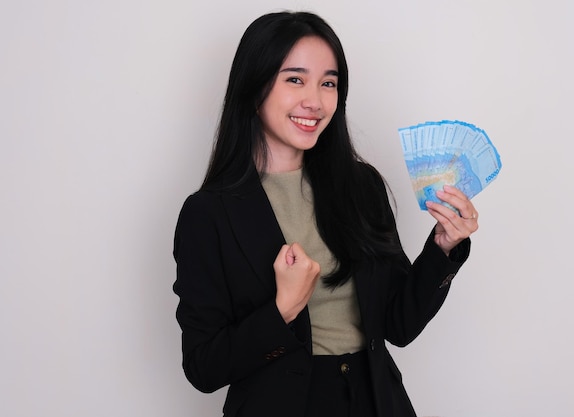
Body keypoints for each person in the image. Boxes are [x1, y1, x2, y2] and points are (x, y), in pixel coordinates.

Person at [173, 11, 479, 417]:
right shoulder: (208, 214)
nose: (314, 101)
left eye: (329, 83)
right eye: (295, 79)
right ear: (254, 86)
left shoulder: (362, 188)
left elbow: (398, 325)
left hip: (374, 401)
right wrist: (282, 309)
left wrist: (443, 248)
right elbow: (203, 367)